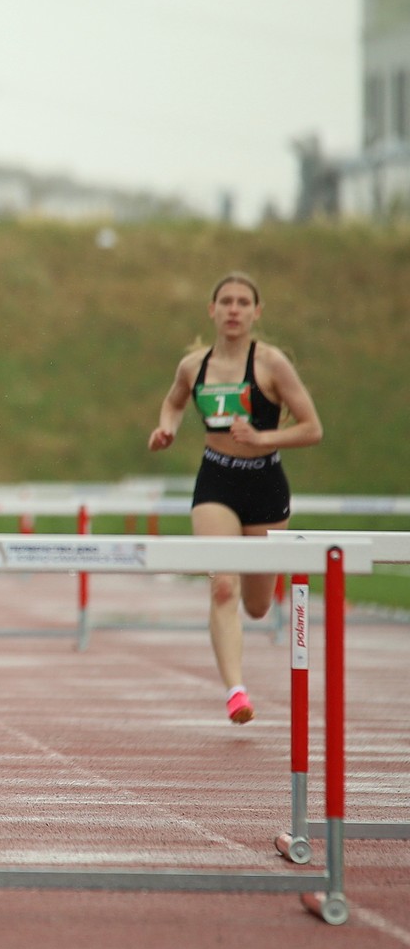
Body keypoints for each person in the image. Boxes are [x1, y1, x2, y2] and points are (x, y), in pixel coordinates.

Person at [147, 272, 322, 723]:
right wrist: (167, 427)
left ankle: (264, 582)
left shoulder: (272, 364)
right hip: (216, 482)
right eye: (225, 301)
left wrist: (263, 437)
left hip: (264, 483)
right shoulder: (194, 365)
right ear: (212, 309)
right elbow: (175, 401)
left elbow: (312, 428)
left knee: (257, 605)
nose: (233, 309)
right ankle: (236, 691)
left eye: (243, 302)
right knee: (224, 586)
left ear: (256, 313)